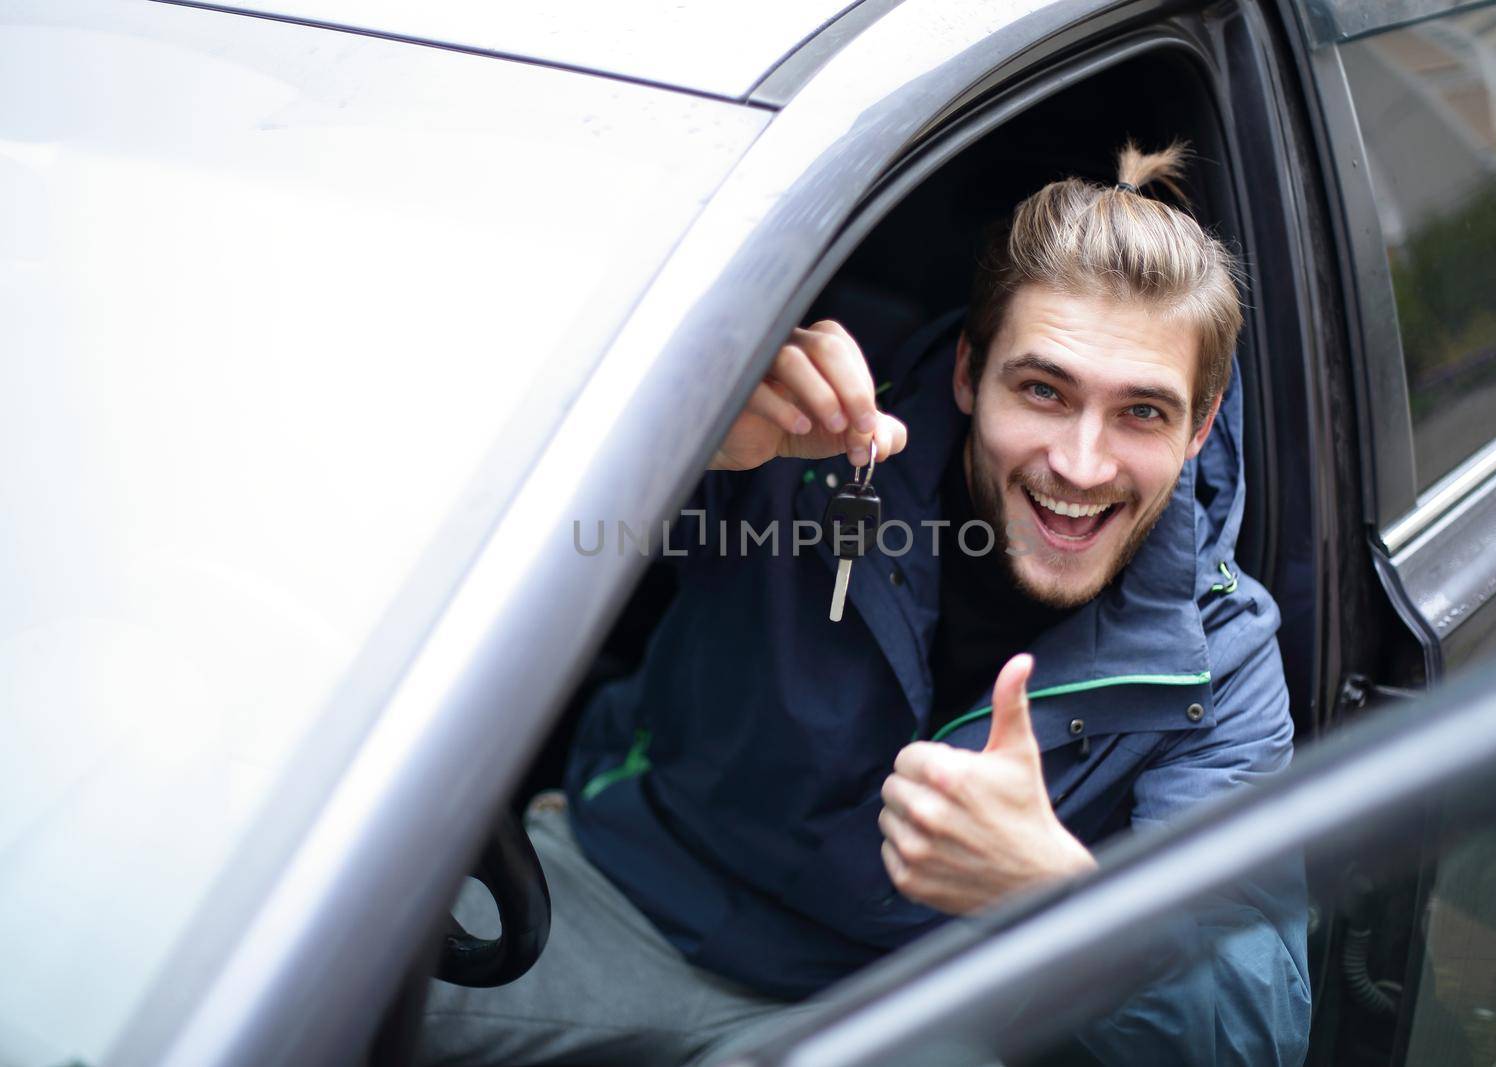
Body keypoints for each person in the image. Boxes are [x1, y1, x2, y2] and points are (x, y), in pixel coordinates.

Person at [420, 142, 1310, 1066]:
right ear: (970, 373)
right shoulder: (796, 439)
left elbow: (1255, 1039)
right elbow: (467, 532)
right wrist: (681, 436)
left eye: (1142, 413)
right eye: (1044, 390)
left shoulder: (1221, 663)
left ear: (1201, 427)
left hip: (907, 1018)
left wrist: (1054, 898)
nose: (1081, 464)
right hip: (624, 895)